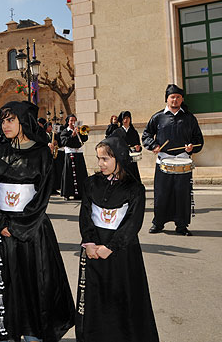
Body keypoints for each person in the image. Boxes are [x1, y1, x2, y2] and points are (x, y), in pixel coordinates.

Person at [0, 101, 75, 342]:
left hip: (32, 230)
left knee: (34, 283)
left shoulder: (42, 153)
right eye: (3, 120)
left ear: (24, 122)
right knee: (6, 285)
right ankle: (9, 330)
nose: (5, 125)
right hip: (1, 230)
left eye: (10, 120)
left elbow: (42, 196)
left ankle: (34, 331)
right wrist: (0, 224)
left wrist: (18, 226)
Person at [76, 136, 159, 341]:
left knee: (123, 297)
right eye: (98, 159)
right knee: (96, 298)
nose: (100, 164)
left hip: (122, 252)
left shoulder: (134, 188)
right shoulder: (91, 183)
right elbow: (85, 215)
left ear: (119, 158)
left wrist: (110, 247)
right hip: (93, 250)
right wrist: (90, 243)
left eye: (105, 159)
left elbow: (133, 223)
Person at [142, 84, 203, 236]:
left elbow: (198, 139)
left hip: (183, 161)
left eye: (177, 97)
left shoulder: (189, 118)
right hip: (164, 161)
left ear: (182, 99)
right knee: (162, 194)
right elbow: (146, 135)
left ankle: (181, 225)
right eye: (172, 97)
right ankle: (158, 223)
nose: (174, 100)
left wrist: (192, 147)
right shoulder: (158, 117)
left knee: (182, 195)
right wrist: (153, 145)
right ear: (167, 99)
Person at [60, 115, 88, 201]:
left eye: (74, 120)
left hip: (78, 153)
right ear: (68, 122)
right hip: (70, 154)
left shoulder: (79, 130)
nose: (73, 122)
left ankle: (79, 193)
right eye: (71, 120)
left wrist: (80, 133)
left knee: (80, 173)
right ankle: (67, 193)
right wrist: (73, 135)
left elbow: (85, 138)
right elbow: (64, 142)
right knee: (69, 174)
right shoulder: (65, 131)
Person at [109, 111, 142, 183]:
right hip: (121, 160)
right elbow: (112, 143)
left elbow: (138, 145)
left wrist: (138, 148)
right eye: (124, 118)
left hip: (132, 160)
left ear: (130, 119)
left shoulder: (134, 132)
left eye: (127, 118)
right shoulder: (117, 132)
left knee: (134, 179)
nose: (125, 120)